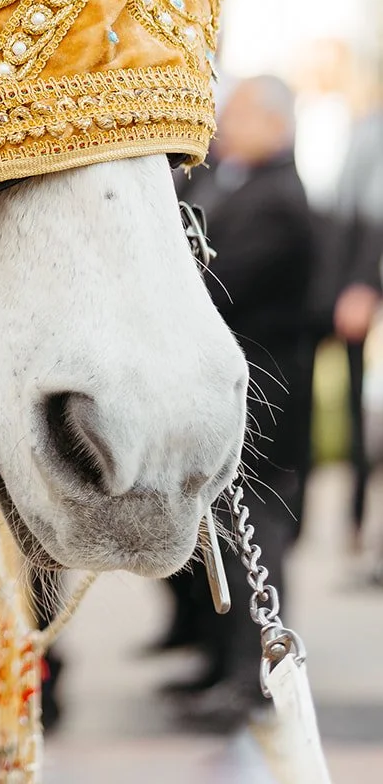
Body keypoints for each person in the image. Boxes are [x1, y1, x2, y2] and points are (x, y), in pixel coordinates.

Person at [166, 75, 317, 730]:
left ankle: (251, 679)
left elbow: (220, 285)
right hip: (241, 392)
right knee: (225, 538)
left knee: (257, 540)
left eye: (239, 115)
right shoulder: (237, 183)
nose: (225, 125)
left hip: (266, 400)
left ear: (274, 125)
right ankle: (217, 663)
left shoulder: (277, 199)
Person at [328, 108, 383, 541]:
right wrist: (360, 283)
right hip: (366, 286)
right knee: (362, 413)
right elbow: (358, 208)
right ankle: (360, 522)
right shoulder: (370, 127)